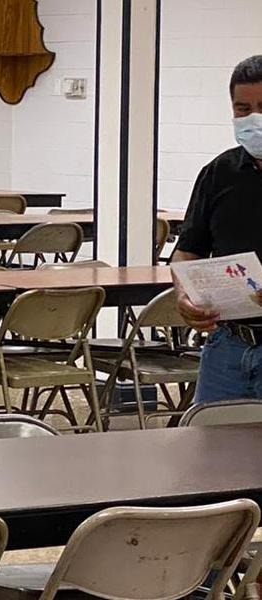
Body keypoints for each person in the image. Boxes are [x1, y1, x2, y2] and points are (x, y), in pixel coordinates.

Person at [175, 54, 262, 403]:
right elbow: (188, 249)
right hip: (227, 348)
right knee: (211, 452)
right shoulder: (218, 173)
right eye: (243, 109)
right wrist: (183, 295)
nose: (254, 118)